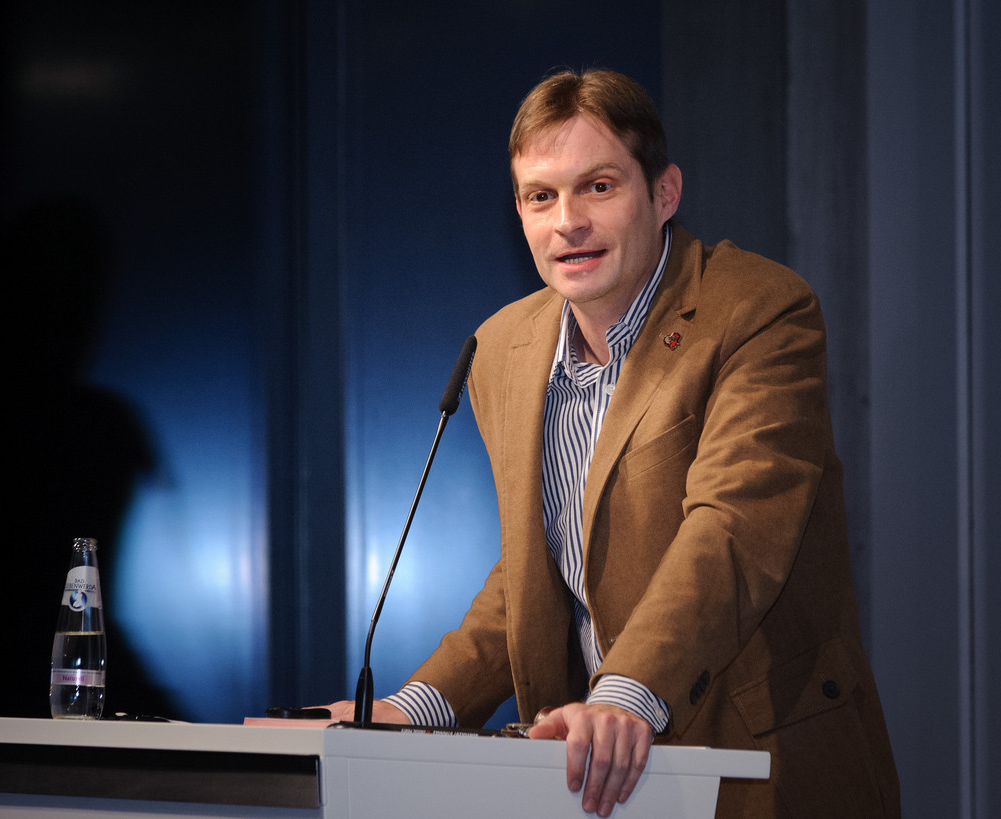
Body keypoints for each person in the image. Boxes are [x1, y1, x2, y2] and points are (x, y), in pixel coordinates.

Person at [323, 68, 899, 818]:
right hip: (595, 776)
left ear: (664, 194)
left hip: (764, 761)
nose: (567, 221)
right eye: (541, 196)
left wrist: (625, 694)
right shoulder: (501, 347)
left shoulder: (760, 311)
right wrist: (413, 708)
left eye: (598, 186)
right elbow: (534, 570)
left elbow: (732, 531)